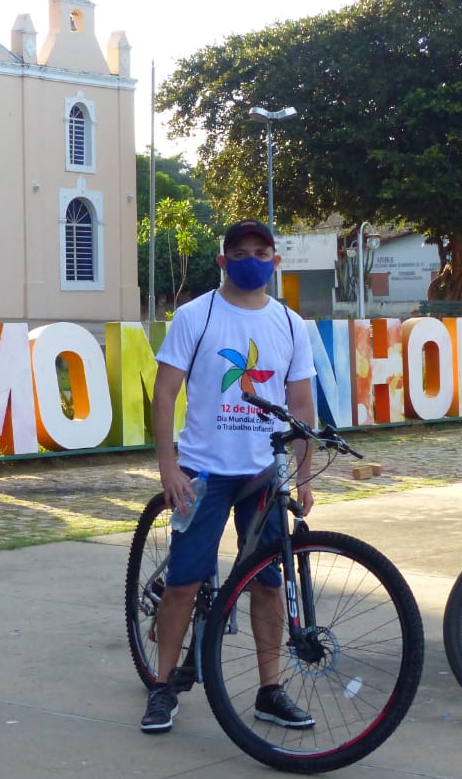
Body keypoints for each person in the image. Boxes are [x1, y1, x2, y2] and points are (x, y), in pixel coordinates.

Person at [141, 219, 318, 733]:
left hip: (264, 475)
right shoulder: (197, 315)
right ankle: (162, 686)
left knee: (267, 582)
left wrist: (304, 478)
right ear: (223, 261)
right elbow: (165, 394)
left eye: (261, 251)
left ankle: (270, 690)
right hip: (204, 471)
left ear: (275, 261)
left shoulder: (289, 324)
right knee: (183, 583)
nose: (252, 259)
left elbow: (301, 403)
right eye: (240, 251)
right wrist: (168, 466)